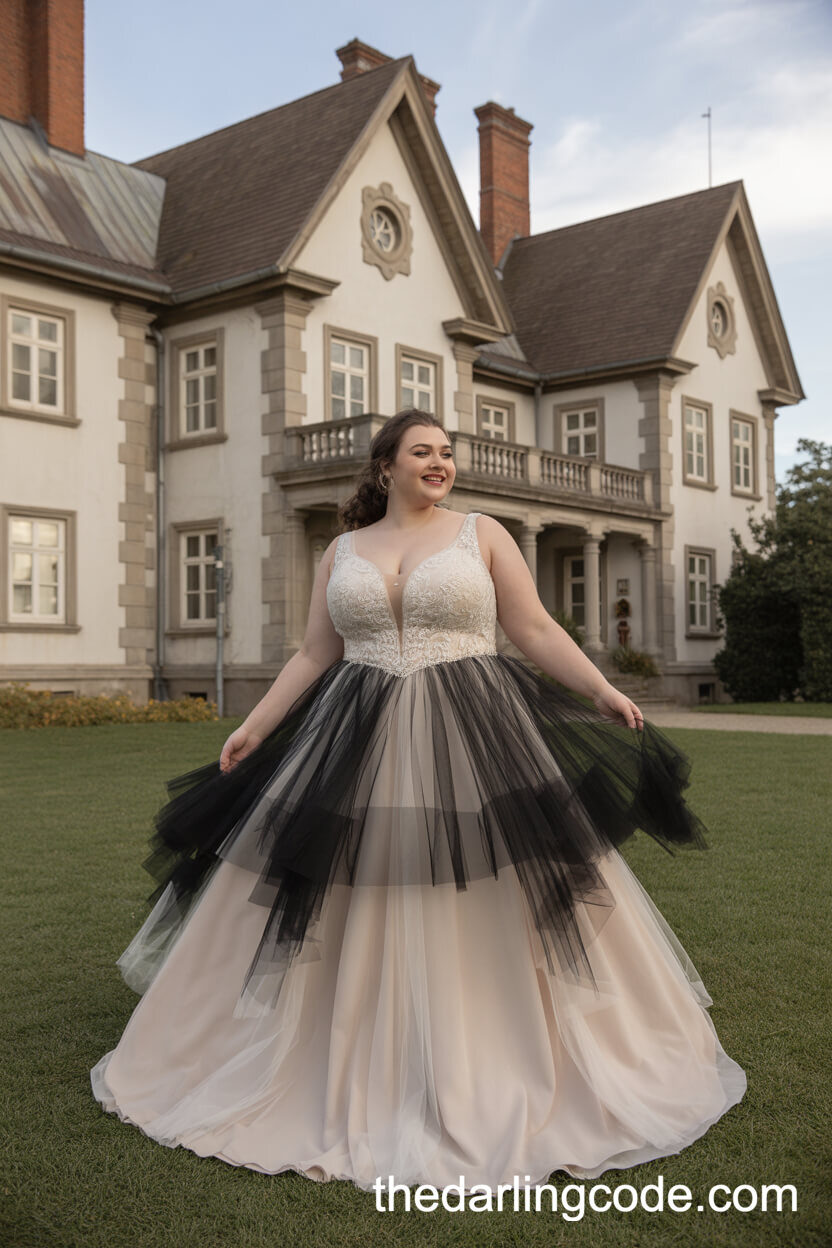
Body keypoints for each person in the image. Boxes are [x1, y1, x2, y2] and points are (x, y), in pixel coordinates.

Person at [90, 408, 746, 1192]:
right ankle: (326, 1053)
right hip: (354, 733)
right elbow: (313, 653)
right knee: (337, 885)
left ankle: (492, 1057)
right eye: (423, 452)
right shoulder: (342, 551)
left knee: (495, 884)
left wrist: (600, 687)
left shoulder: (484, 533)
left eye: (446, 452)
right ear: (385, 467)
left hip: (475, 732)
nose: (440, 463)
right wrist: (256, 730)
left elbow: (533, 628)